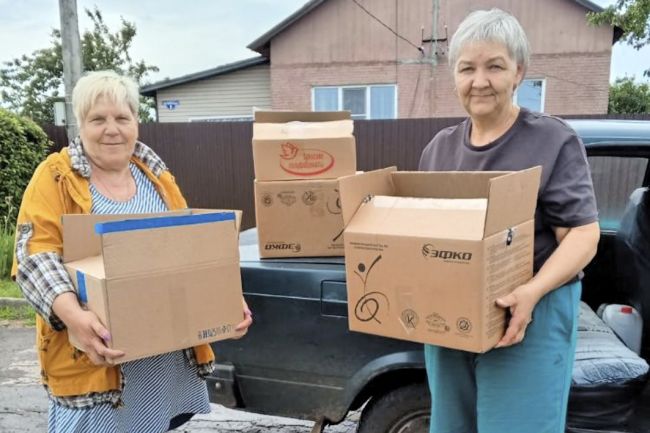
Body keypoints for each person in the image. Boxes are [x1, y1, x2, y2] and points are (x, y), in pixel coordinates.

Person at [11, 70, 253, 433]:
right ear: (80, 124)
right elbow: (35, 256)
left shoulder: (155, 176)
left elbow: (190, 251)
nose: (112, 129)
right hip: (97, 356)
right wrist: (75, 316)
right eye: (98, 119)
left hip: (161, 358)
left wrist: (224, 300)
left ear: (136, 122)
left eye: (122, 117)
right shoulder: (55, 177)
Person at [418, 9, 600, 433]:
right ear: (454, 76)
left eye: (494, 66)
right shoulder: (439, 150)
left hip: (528, 315)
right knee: (451, 426)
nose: (479, 81)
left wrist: (531, 293)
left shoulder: (552, 140)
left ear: (518, 71)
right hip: (452, 318)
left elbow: (583, 234)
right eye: (467, 68)